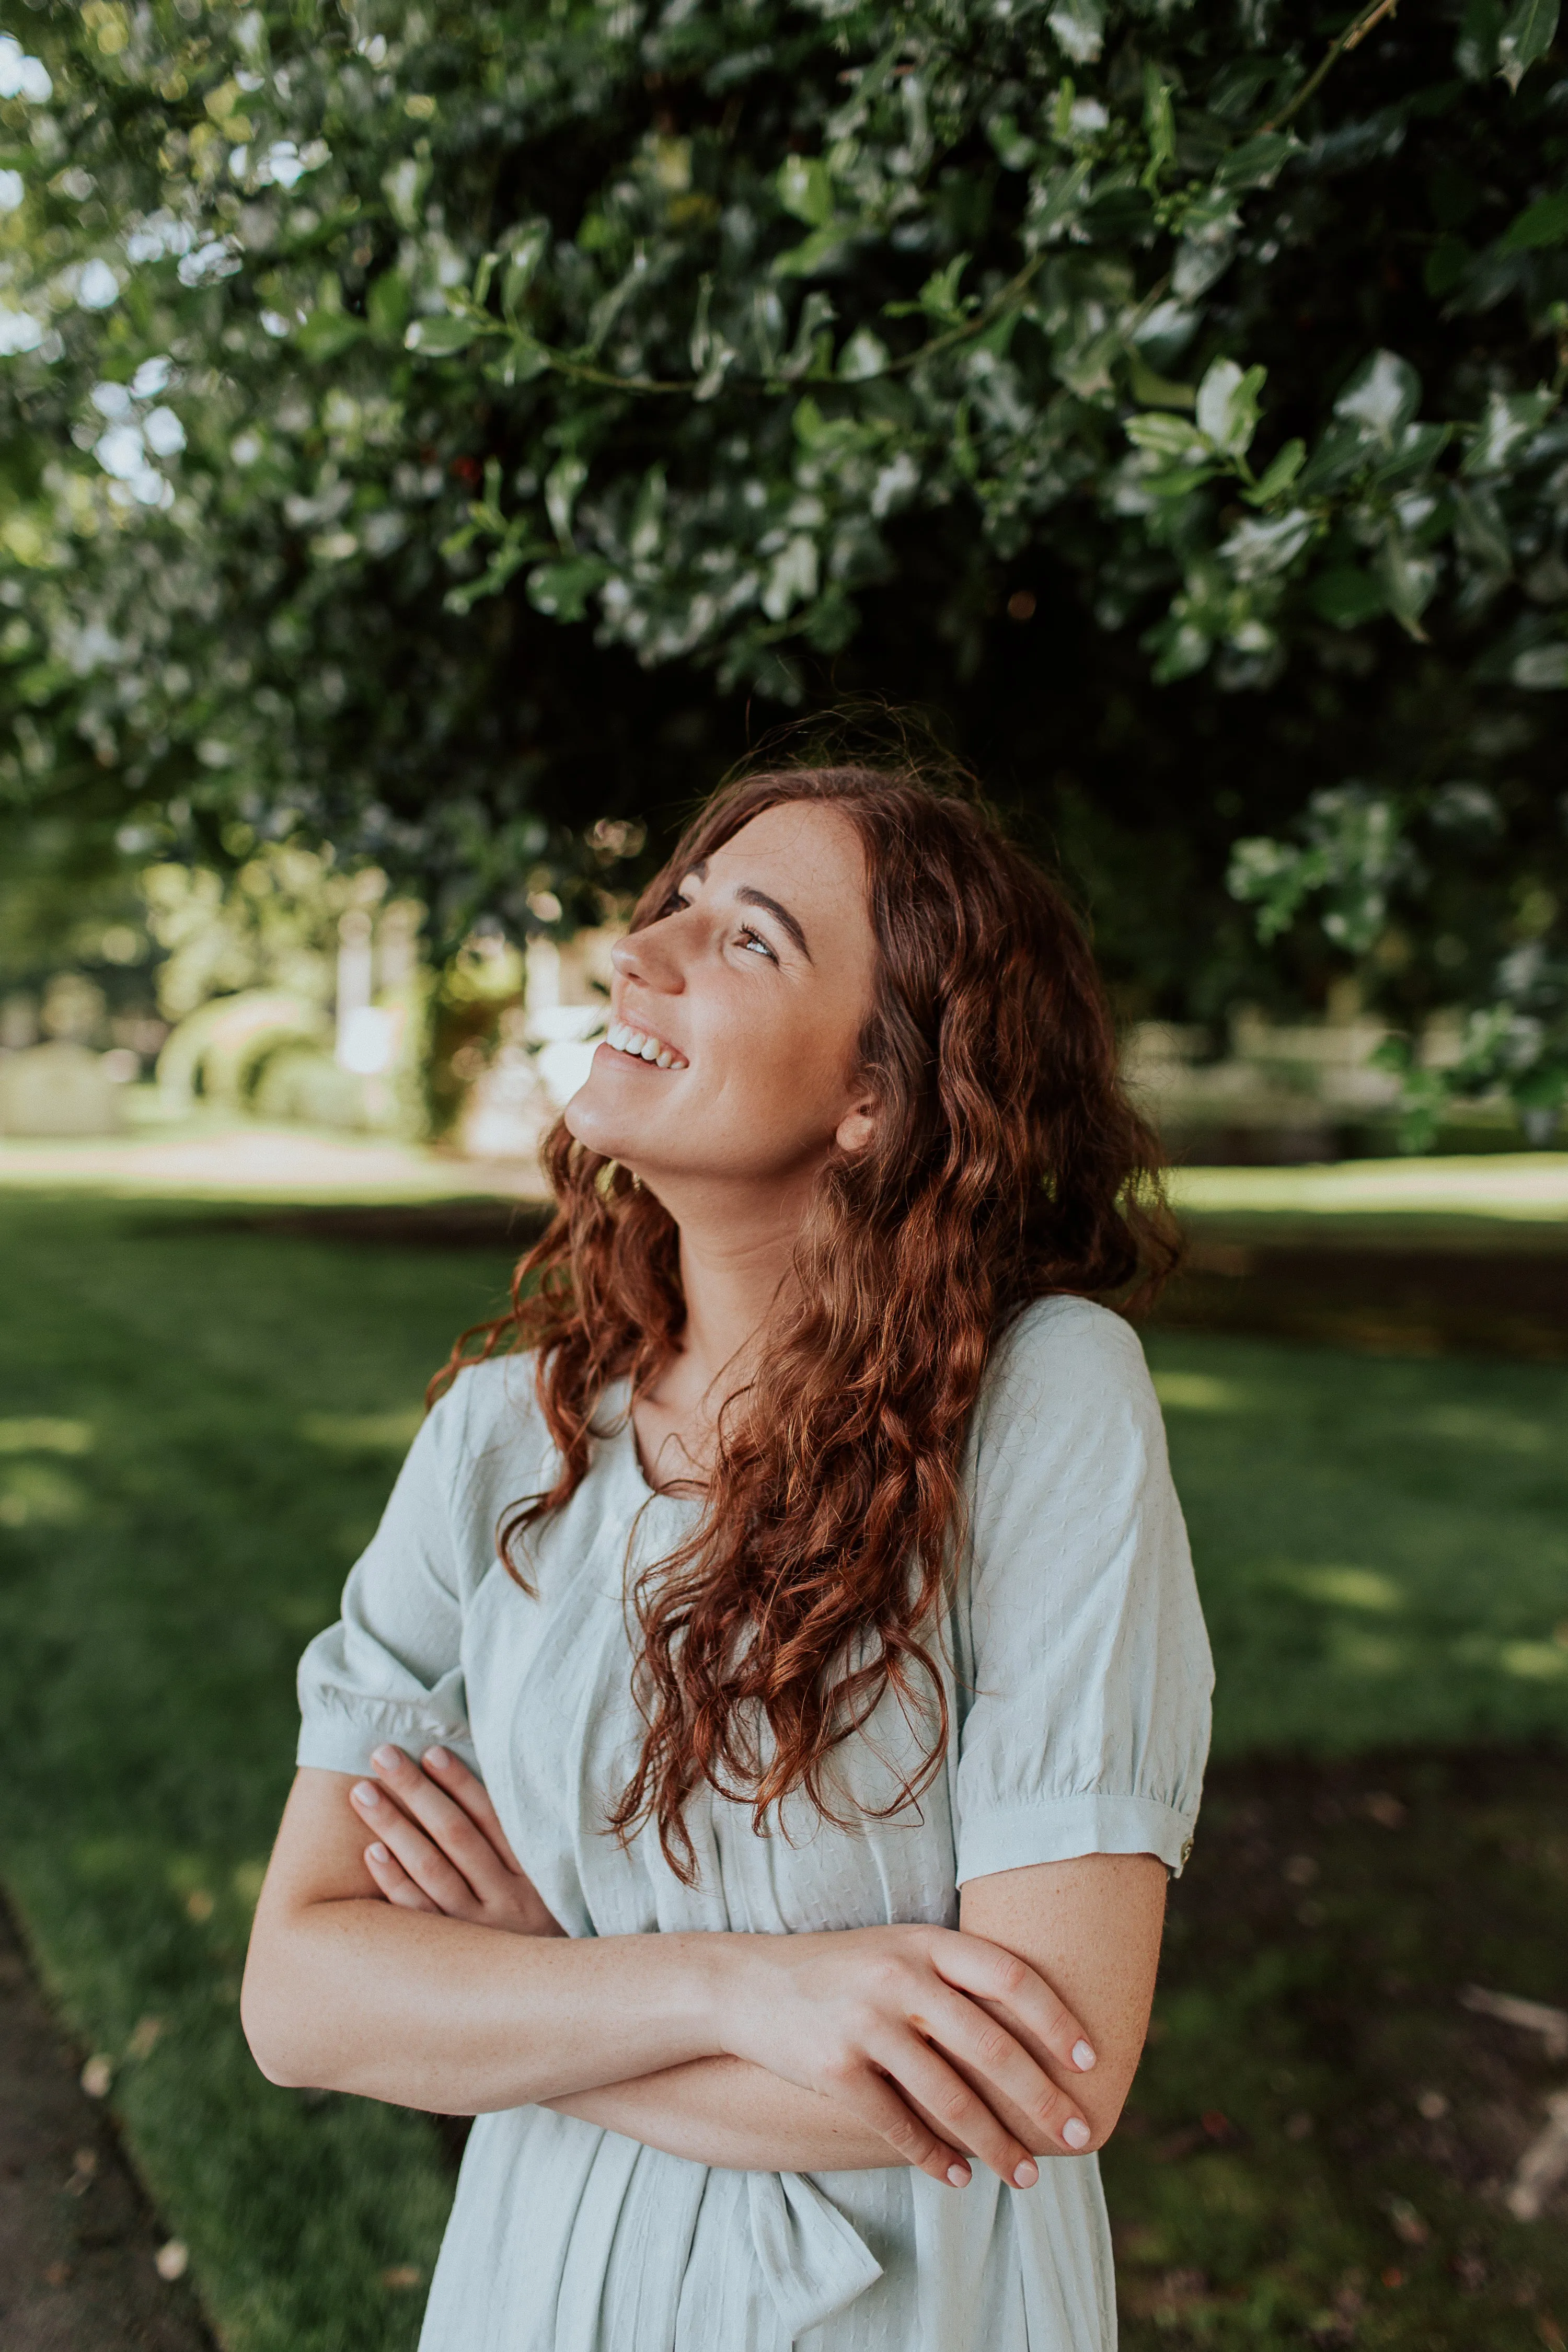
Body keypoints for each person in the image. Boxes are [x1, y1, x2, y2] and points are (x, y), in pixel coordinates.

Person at [241, 754, 1213, 2352]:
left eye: (749, 938)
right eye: (675, 903)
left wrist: (523, 1989)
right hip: (539, 2286)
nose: (645, 951)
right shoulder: (502, 1438)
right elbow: (298, 1995)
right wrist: (738, 1991)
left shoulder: (1044, 1401)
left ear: (879, 1094)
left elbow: (1046, 2065)